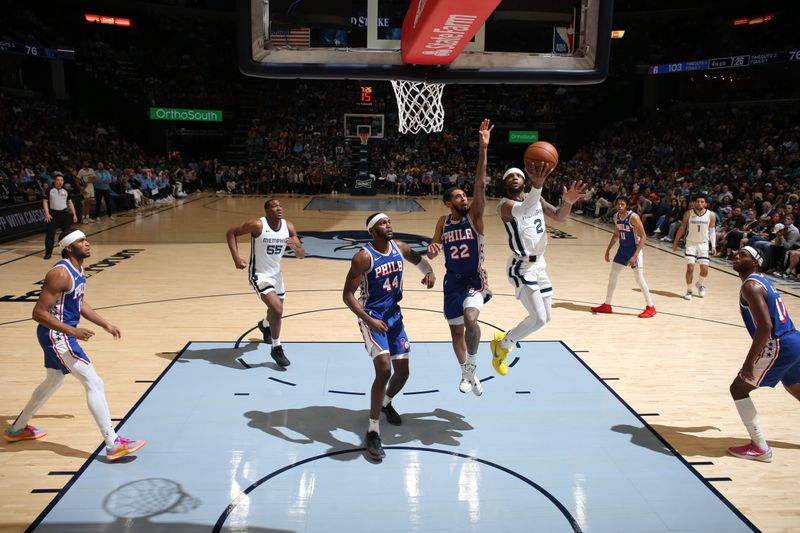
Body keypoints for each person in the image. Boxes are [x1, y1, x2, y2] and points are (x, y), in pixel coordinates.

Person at [3, 230, 146, 461]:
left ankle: (17, 429)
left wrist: (105, 324)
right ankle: (113, 443)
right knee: (94, 382)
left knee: (53, 380)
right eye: (81, 241)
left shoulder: (79, 269)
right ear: (69, 247)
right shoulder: (60, 273)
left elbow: (79, 303)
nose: (87, 244)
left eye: (86, 240)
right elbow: (38, 313)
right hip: (57, 335)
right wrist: (72, 331)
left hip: (61, 334)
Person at [342, 213, 436, 460]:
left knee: (403, 372)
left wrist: (429, 272)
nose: (389, 225)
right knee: (384, 370)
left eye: (389, 222)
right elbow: (348, 296)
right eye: (383, 223)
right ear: (372, 231)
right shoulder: (363, 257)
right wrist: (369, 320)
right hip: (372, 315)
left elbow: (419, 260)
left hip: (394, 315)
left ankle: (385, 403)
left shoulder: (400, 247)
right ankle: (373, 430)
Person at [489, 159, 586, 375]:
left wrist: (568, 202)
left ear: (524, 180)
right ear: (505, 184)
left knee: (546, 318)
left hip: (540, 264)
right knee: (539, 318)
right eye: (509, 176)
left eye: (518, 175)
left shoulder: (536, 198)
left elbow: (560, 217)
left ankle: (503, 341)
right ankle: (502, 346)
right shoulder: (504, 205)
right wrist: (538, 184)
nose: (514, 178)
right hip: (521, 266)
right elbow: (524, 209)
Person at [426, 119, 493, 395]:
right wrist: (432, 248)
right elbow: (434, 243)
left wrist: (483, 148)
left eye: (465, 195)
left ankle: (472, 367)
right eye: (458, 196)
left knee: (470, 318)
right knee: (455, 333)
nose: (464, 198)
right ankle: (467, 373)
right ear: (448, 203)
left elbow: (479, 182)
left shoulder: (475, 217)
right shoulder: (443, 221)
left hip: (474, 280)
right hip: (451, 282)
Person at [727, 246, 800, 462]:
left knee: (738, 389)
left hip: (779, 343)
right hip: (794, 340)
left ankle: (760, 448)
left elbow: (765, 326)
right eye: (737, 252)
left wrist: (750, 362)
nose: (736, 256)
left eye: (744, 255)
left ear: (756, 262)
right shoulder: (762, 280)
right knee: (794, 386)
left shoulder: (750, 285)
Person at [226, 199, 305, 368]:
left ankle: (264, 325)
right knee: (277, 308)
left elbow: (301, 254)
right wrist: (236, 258)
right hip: (259, 274)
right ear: (267, 210)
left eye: (280, 205)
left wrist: (295, 247)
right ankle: (277, 348)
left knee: (274, 311)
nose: (279, 208)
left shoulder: (288, 227)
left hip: (277, 275)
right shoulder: (257, 225)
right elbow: (231, 232)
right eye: (274, 206)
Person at [590, 196, 656, 318]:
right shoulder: (616, 217)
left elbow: (644, 237)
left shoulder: (633, 217)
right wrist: (608, 250)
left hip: (634, 249)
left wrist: (635, 255)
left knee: (639, 279)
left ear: (627, 206)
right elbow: (616, 234)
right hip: (622, 250)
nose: (620, 206)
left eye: (622, 204)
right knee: (613, 275)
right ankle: (607, 305)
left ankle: (651, 307)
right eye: (618, 204)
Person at [672, 193, 717, 300]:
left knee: (705, 270)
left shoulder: (711, 215)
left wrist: (713, 245)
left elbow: (712, 231)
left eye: (702, 201)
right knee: (690, 268)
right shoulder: (688, 213)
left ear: (706, 204)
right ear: (694, 203)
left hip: (704, 244)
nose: (699, 203)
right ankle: (689, 290)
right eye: (697, 201)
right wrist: (675, 242)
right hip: (691, 243)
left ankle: (700, 284)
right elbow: (682, 228)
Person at [42, 172, 78, 260]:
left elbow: (69, 202)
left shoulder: (66, 191)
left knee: (67, 235)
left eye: (61, 180)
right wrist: (47, 213)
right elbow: (45, 202)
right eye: (58, 180)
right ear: (54, 181)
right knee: (50, 234)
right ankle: (48, 253)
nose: (60, 182)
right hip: (53, 214)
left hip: (64, 214)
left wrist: (74, 214)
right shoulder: (49, 190)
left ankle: (67, 253)